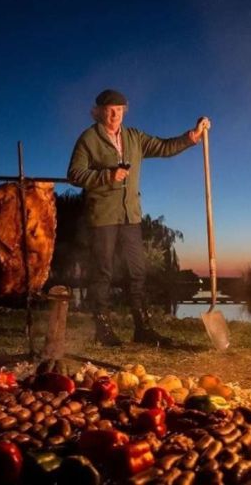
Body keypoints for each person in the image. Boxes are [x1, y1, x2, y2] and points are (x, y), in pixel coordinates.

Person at [67, 89, 210, 346]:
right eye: (110, 110)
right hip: (103, 216)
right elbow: (75, 175)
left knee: (137, 272)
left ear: (124, 111)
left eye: (119, 110)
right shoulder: (88, 139)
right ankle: (103, 330)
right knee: (103, 273)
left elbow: (164, 147)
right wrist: (106, 176)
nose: (115, 115)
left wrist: (192, 136)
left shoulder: (134, 137)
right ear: (98, 111)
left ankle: (142, 329)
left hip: (130, 215)